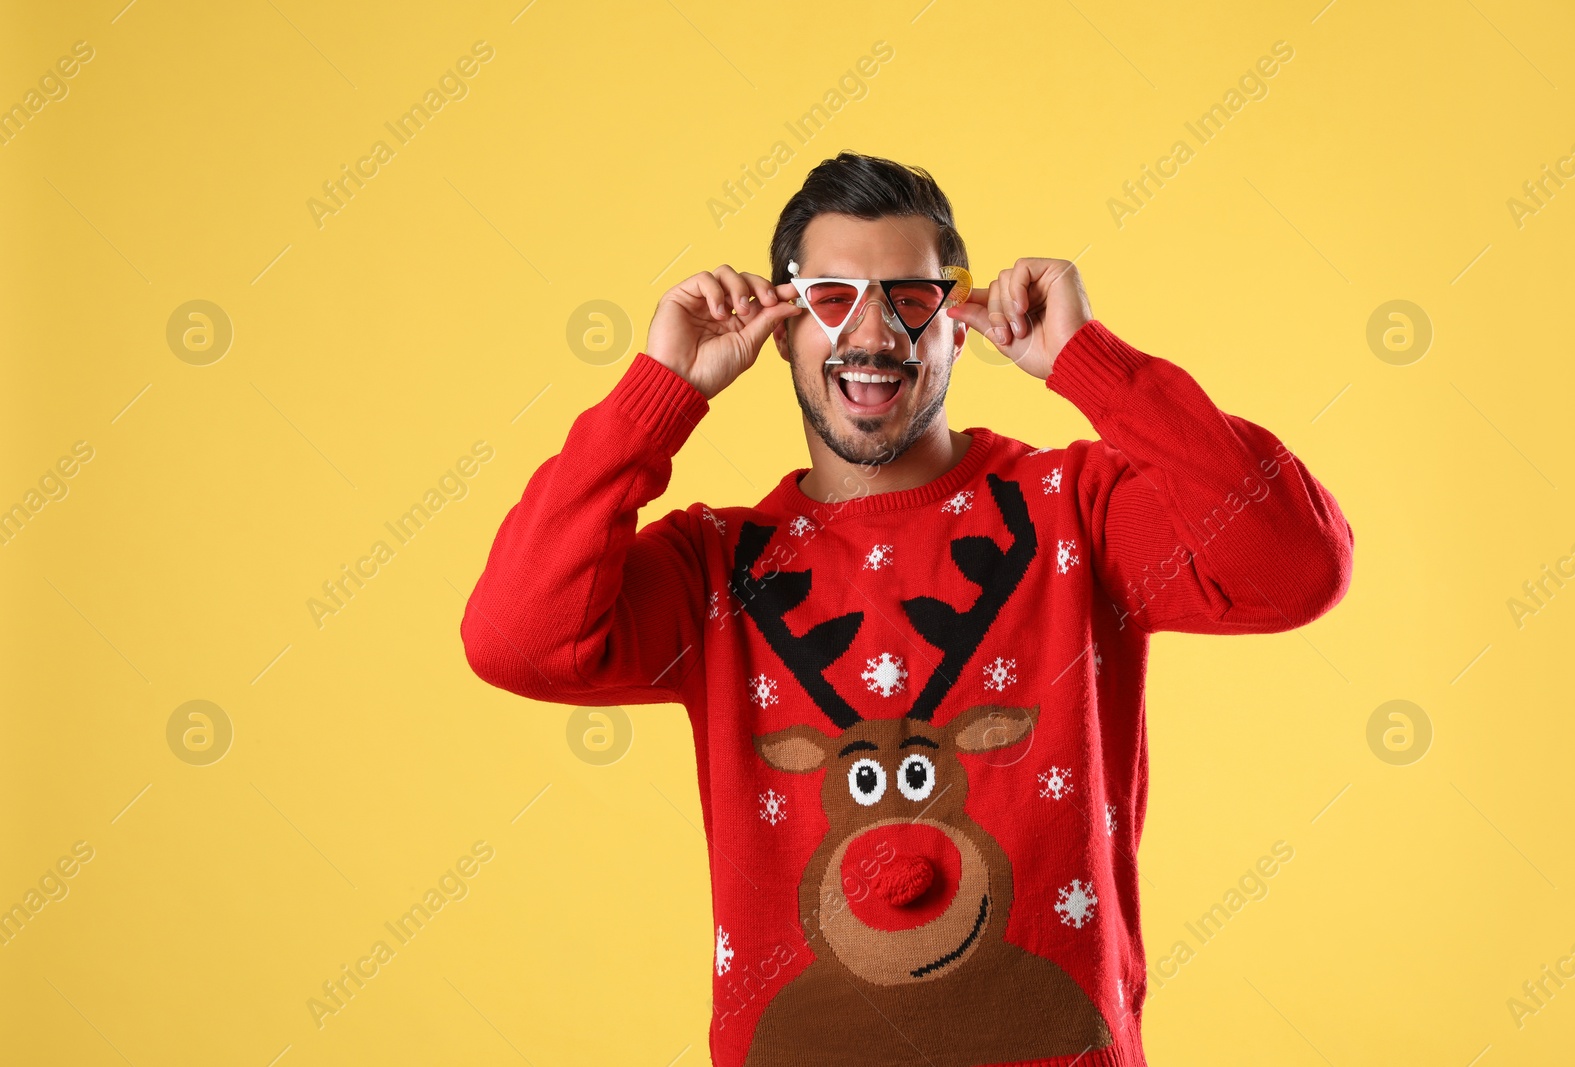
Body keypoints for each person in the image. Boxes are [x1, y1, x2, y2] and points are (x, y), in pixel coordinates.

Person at [460, 151, 1353, 1067]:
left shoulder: (1073, 509)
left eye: (910, 299)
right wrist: (660, 394)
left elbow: (1294, 563)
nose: (875, 334)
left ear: (958, 326)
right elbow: (516, 637)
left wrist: (1093, 363)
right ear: (780, 326)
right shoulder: (714, 568)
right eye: (832, 297)